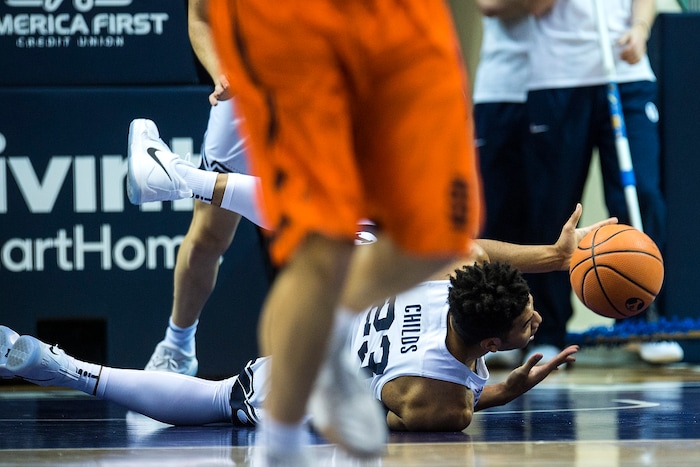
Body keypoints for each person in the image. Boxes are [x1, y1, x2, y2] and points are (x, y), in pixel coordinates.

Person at [3, 201, 615, 429]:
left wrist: (557, 259)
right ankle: (68, 370)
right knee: (215, 402)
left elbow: (479, 252)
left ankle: (198, 180)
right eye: (525, 322)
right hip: (301, 390)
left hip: (324, 316)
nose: (536, 320)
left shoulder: (446, 269)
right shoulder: (444, 403)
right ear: (488, 339)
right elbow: (408, 411)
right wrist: (501, 393)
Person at [207, 0, 483, 462]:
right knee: (324, 242)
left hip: (405, 15)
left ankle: (332, 334)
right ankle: (282, 447)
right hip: (293, 15)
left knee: (442, 233)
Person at [522, 0, 680, 364]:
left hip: (627, 75)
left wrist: (639, 29)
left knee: (642, 195)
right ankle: (548, 331)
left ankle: (645, 321)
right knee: (554, 207)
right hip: (558, 77)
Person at [141, 0, 263, 377]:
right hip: (244, 93)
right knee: (209, 234)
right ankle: (177, 346)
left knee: (332, 236)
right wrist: (221, 73)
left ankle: (176, 176)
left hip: (324, 97)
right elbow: (201, 18)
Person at [473, 0, 557, 368]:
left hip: (557, 81)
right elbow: (491, 4)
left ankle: (548, 331)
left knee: (548, 213)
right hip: (498, 87)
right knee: (497, 215)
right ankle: (494, 331)